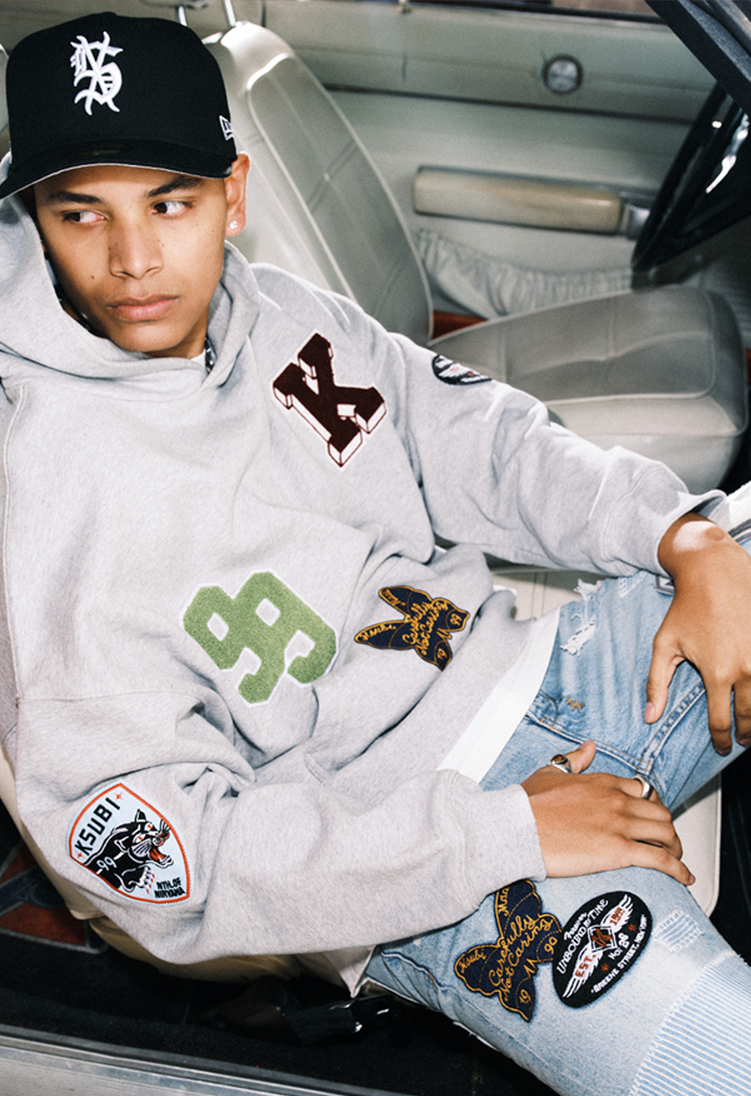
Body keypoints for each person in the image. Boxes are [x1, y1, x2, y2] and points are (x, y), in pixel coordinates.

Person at [0, 12, 750, 1095]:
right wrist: (507, 831)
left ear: (233, 196)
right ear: (36, 216)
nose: (133, 260)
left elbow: (472, 437)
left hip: (555, 670)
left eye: (171, 202)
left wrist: (682, 538)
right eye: (82, 213)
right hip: (422, 866)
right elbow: (174, 865)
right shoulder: (44, 504)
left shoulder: (276, 312)